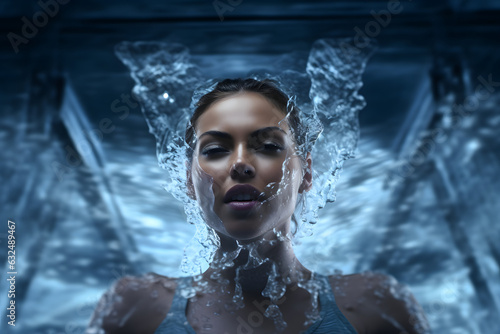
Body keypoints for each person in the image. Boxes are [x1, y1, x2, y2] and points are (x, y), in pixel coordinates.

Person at [87, 78, 429, 334]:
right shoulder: (134, 310)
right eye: (215, 150)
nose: (239, 164)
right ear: (190, 181)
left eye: (266, 145)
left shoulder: (377, 308)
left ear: (306, 172)